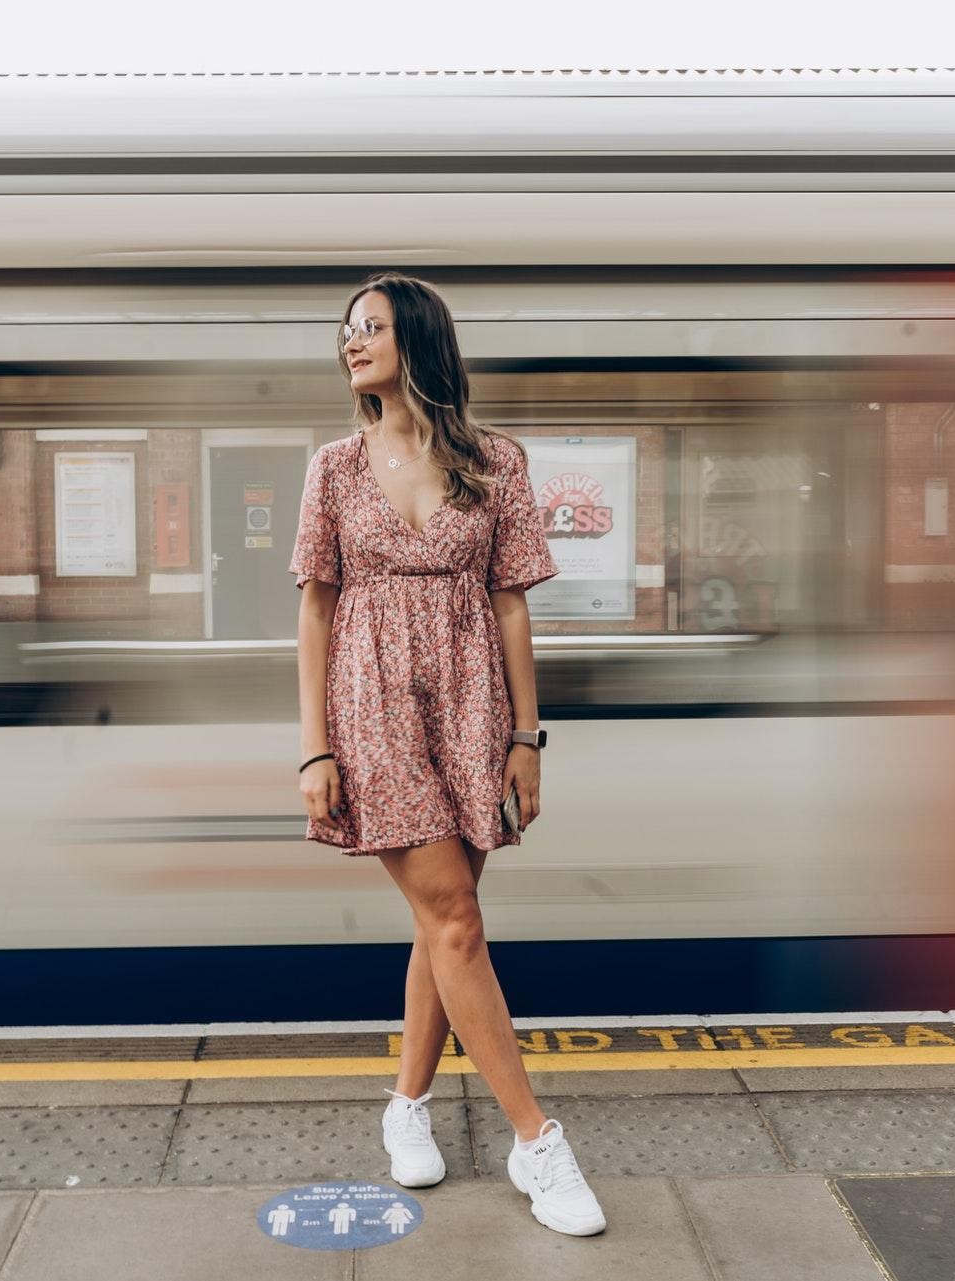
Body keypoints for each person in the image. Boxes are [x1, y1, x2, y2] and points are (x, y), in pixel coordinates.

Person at [289, 273, 606, 1238]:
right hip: (372, 706)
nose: (351, 343)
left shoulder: (495, 460)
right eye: (345, 331)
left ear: (418, 339)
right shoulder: (333, 467)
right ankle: (536, 1141)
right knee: (457, 917)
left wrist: (525, 736)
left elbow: (512, 601)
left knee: (445, 920)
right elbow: (316, 608)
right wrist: (315, 750)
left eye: (371, 327)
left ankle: (408, 1105)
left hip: (473, 703)